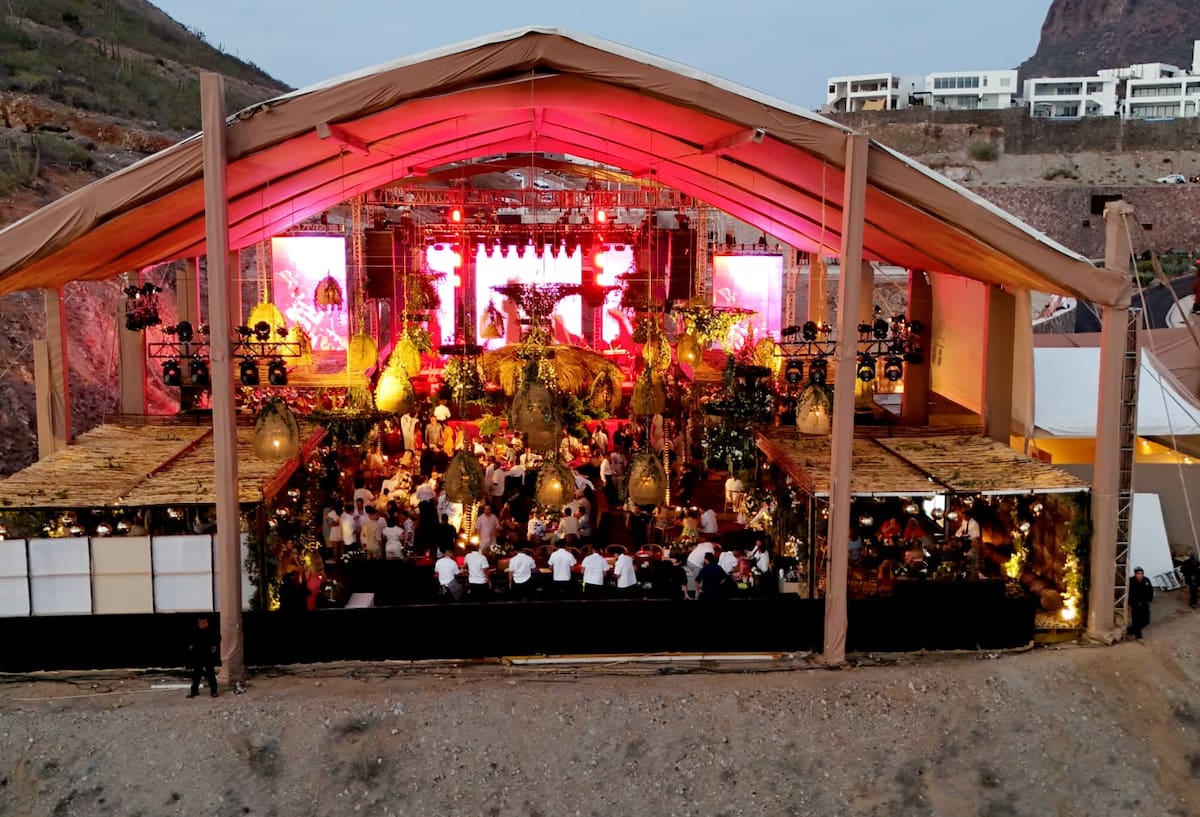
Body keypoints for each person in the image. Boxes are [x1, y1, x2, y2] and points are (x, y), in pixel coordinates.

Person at [185, 615, 220, 698]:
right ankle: (194, 691)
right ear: (199, 623)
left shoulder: (211, 630)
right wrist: (190, 646)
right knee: (196, 674)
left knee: (210, 673)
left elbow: (218, 638)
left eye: (205, 622)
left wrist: (215, 645)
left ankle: (214, 691)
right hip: (198, 654)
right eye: (202, 623)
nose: (204, 624)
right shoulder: (195, 630)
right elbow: (190, 640)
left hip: (208, 654)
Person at [1127, 566, 1154, 639]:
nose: (1140, 575)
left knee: (1146, 620)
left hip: (1144, 603)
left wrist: (1149, 600)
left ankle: (1130, 631)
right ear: (1135, 574)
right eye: (1138, 574)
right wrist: (1129, 605)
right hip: (1134, 604)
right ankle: (1138, 635)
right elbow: (1128, 594)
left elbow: (1151, 590)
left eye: (1141, 573)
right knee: (1136, 620)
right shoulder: (1131, 581)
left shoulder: (1146, 580)